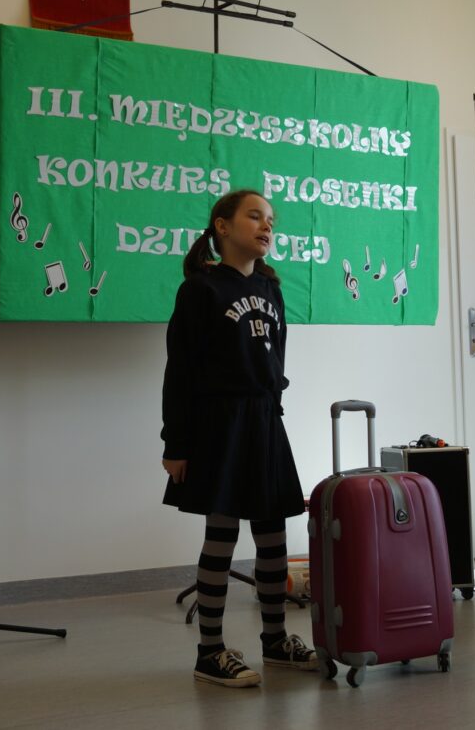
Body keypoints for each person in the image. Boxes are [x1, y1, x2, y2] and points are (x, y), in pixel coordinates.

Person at [160, 189, 316, 688]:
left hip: (264, 423)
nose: (267, 226)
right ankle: (209, 652)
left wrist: (271, 412)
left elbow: (277, 359)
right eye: (255, 216)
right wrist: (175, 444)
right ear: (222, 227)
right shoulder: (200, 289)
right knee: (222, 535)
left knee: (273, 536)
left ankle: (276, 641)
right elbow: (180, 371)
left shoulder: (271, 288)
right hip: (219, 425)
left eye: (271, 219)